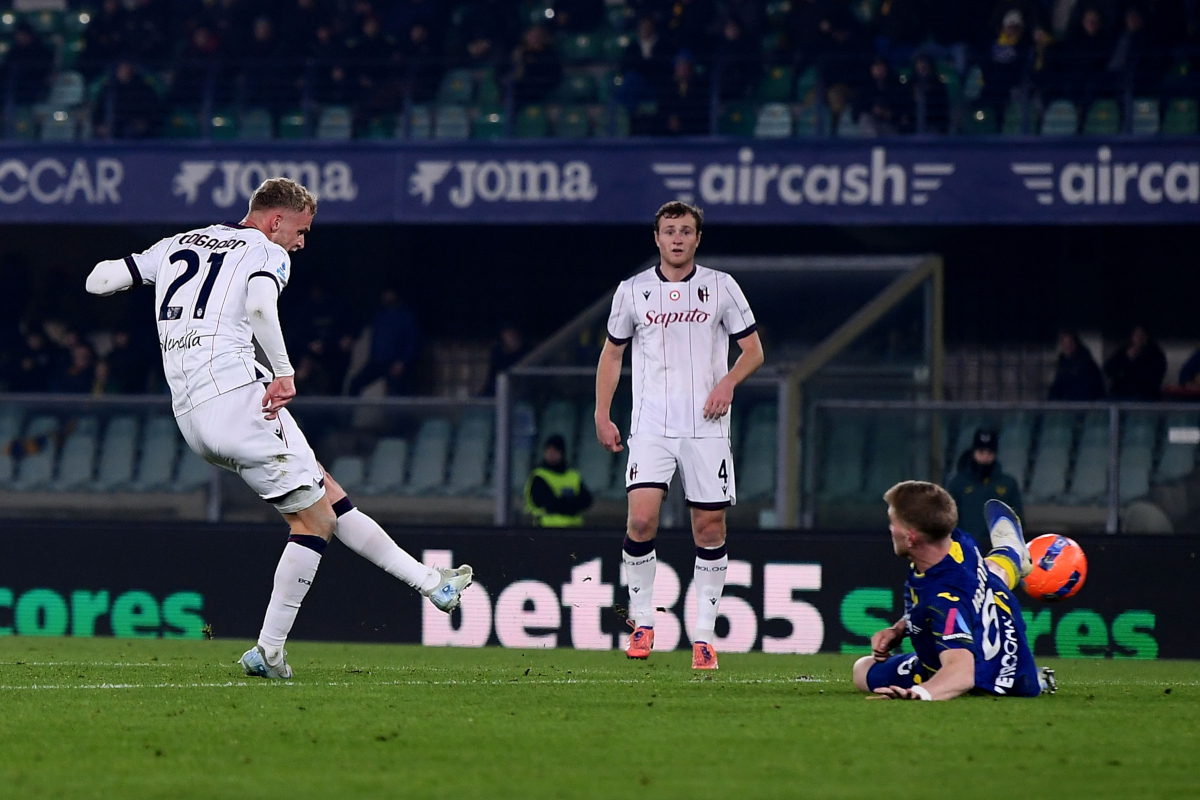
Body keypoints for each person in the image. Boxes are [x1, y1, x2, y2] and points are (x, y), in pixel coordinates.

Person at [85, 177, 473, 680]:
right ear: (275, 220)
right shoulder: (266, 250)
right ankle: (269, 652)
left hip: (191, 420)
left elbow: (99, 280)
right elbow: (262, 307)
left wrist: (142, 276)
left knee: (326, 494)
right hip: (244, 402)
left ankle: (431, 583)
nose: (301, 241)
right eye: (301, 229)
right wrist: (285, 372)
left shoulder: (177, 244)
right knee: (314, 523)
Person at [595, 201, 764, 670]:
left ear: (696, 238)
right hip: (650, 426)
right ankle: (644, 623)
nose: (676, 238)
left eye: (685, 231)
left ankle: (704, 638)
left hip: (707, 428)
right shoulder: (632, 292)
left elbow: (753, 351)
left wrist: (728, 382)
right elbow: (612, 355)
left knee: (709, 529)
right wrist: (602, 414)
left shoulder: (721, 286)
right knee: (641, 522)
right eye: (669, 231)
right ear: (656, 238)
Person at [852, 484, 1056, 700]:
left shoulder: (945, 599)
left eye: (893, 522)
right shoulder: (958, 541)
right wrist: (899, 629)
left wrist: (918, 694)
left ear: (911, 538)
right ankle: (1010, 555)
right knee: (990, 573)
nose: (890, 529)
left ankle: (1028, 678)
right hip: (1000, 629)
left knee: (863, 670)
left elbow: (962, 674)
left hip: (987, 680)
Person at [946, 428, 1023, 550]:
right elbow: (949, 517)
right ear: (974, 451)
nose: (985, 456)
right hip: (965, 547)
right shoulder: (958, 483)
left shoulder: (1008, 483)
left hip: (1000, 549)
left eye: (989, 452)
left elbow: (1017, 517)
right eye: (981, 451)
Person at [524, 434, 593, 527]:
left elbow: (586, 500)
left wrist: (565, 503)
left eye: (555, 451)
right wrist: (571, 503)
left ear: (562, 453)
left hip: (574, 529)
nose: (551, 454)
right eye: (548, 450)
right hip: (547, 528)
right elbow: (548, 503)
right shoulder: (539, 476)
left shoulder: (573, 475)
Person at [1104, 325, 1167, 400]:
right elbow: (1108, 369)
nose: (1139, 339)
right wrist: (1126, 358)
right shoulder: (1123, 351)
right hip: (1121, 394)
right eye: (1136, 335)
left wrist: (1138, 360)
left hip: (1145, 395)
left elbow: (1154, 377)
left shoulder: (1155, 354)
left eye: (1142, 335)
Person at [1048, 330, 1105, 400]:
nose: (1067, 347)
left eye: (1069, 344)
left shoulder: (1086, 364)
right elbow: (1057, 388)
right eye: (1064, 344)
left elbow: (1089, 389)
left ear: (1075, 344)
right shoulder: (1062, 365)